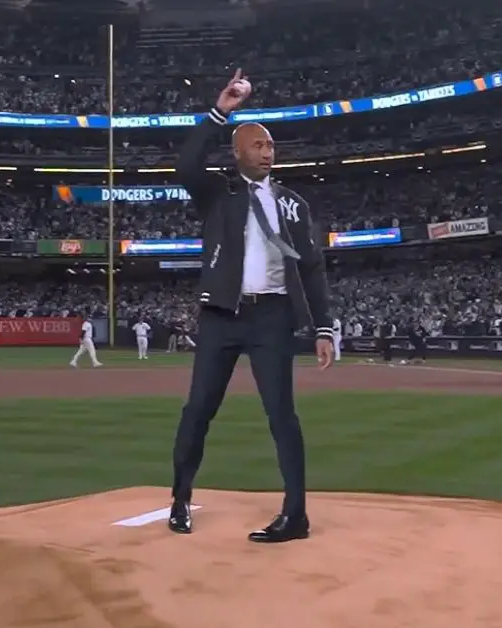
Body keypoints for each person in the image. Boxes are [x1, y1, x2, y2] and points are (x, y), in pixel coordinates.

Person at [168, 69, 335, 544]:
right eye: (258, 145)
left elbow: (312, 269)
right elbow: (184, 166)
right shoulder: (219, 192)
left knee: (282, 415)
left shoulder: (293, 204)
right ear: (238, 151)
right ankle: (180, 499)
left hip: (272, 317)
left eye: (270, 146)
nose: (268, 152)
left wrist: (324, 327)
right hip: (221, 315)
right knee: (198, 409)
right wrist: (222, 111)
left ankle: (296, 515)